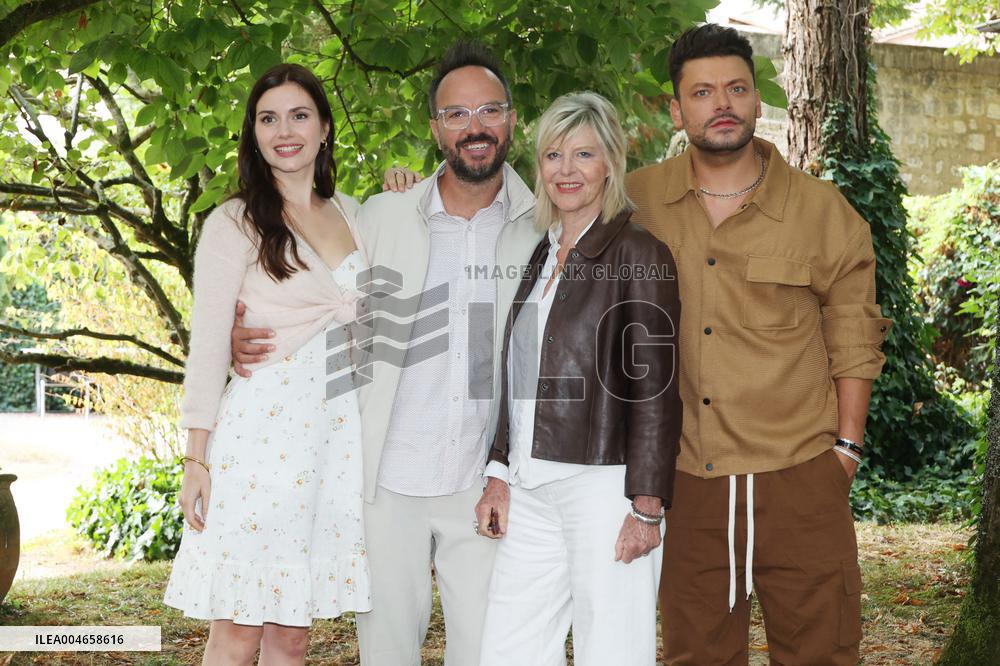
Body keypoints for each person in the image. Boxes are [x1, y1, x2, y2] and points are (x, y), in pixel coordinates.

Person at [231, 42, 545, 665]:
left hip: (483, 482)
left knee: (486, 653)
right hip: (383, 482)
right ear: (435, 128)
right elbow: (318, 303)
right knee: (387, 653)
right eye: (456, 114)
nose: (474, 126)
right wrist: (241, 341)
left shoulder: (543, 225)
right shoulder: (382, 215)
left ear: (512, 120)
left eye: (489, 110)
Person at [625, 24, 892, 664]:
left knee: (821, 651)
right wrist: (414, 191)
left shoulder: (821, 210)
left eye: (737, 89)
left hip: (800, 476)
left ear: (755, 98)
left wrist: (846, 451)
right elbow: (549, 218)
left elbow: (854, 332)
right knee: (697, 655)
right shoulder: (635, 202)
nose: (722, 103)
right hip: (687, 480)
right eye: (702, 92)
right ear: (676, 109)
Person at [163, 63, 371, 665]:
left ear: (325, 128)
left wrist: (404, 183)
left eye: (299, 115)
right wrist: (196, 458)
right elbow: (207, 346)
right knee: (238, 627)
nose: (285, 131)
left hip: (334, 441)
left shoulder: (357, 214)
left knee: (293, 633)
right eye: (268, 118)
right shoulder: (234, 222)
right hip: (261, 440)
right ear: (253, 134)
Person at [473, 91, 682, 666]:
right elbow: (519, 372)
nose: (566, 170)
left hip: (605, 488)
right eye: (553, 155)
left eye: (583, 154)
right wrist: (498, 472)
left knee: (613, 651)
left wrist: (647, 505)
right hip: (530, 487)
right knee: (507, 651)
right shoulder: (541, 254)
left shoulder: (640, 253)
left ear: (610, 163)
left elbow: (657, 392)